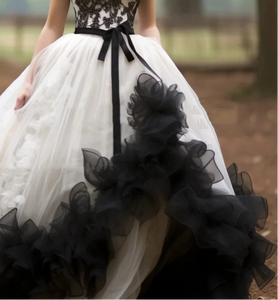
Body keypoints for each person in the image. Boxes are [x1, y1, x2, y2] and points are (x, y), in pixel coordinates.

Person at [0, 1, 276, 299]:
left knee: (149, 166)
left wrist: (158, 70)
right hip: (77, 67)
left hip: (133, 62)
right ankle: (74, 272)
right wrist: (30, 79)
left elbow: (148, 25)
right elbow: (52, 26)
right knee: (69, 162)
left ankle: (139, 267)